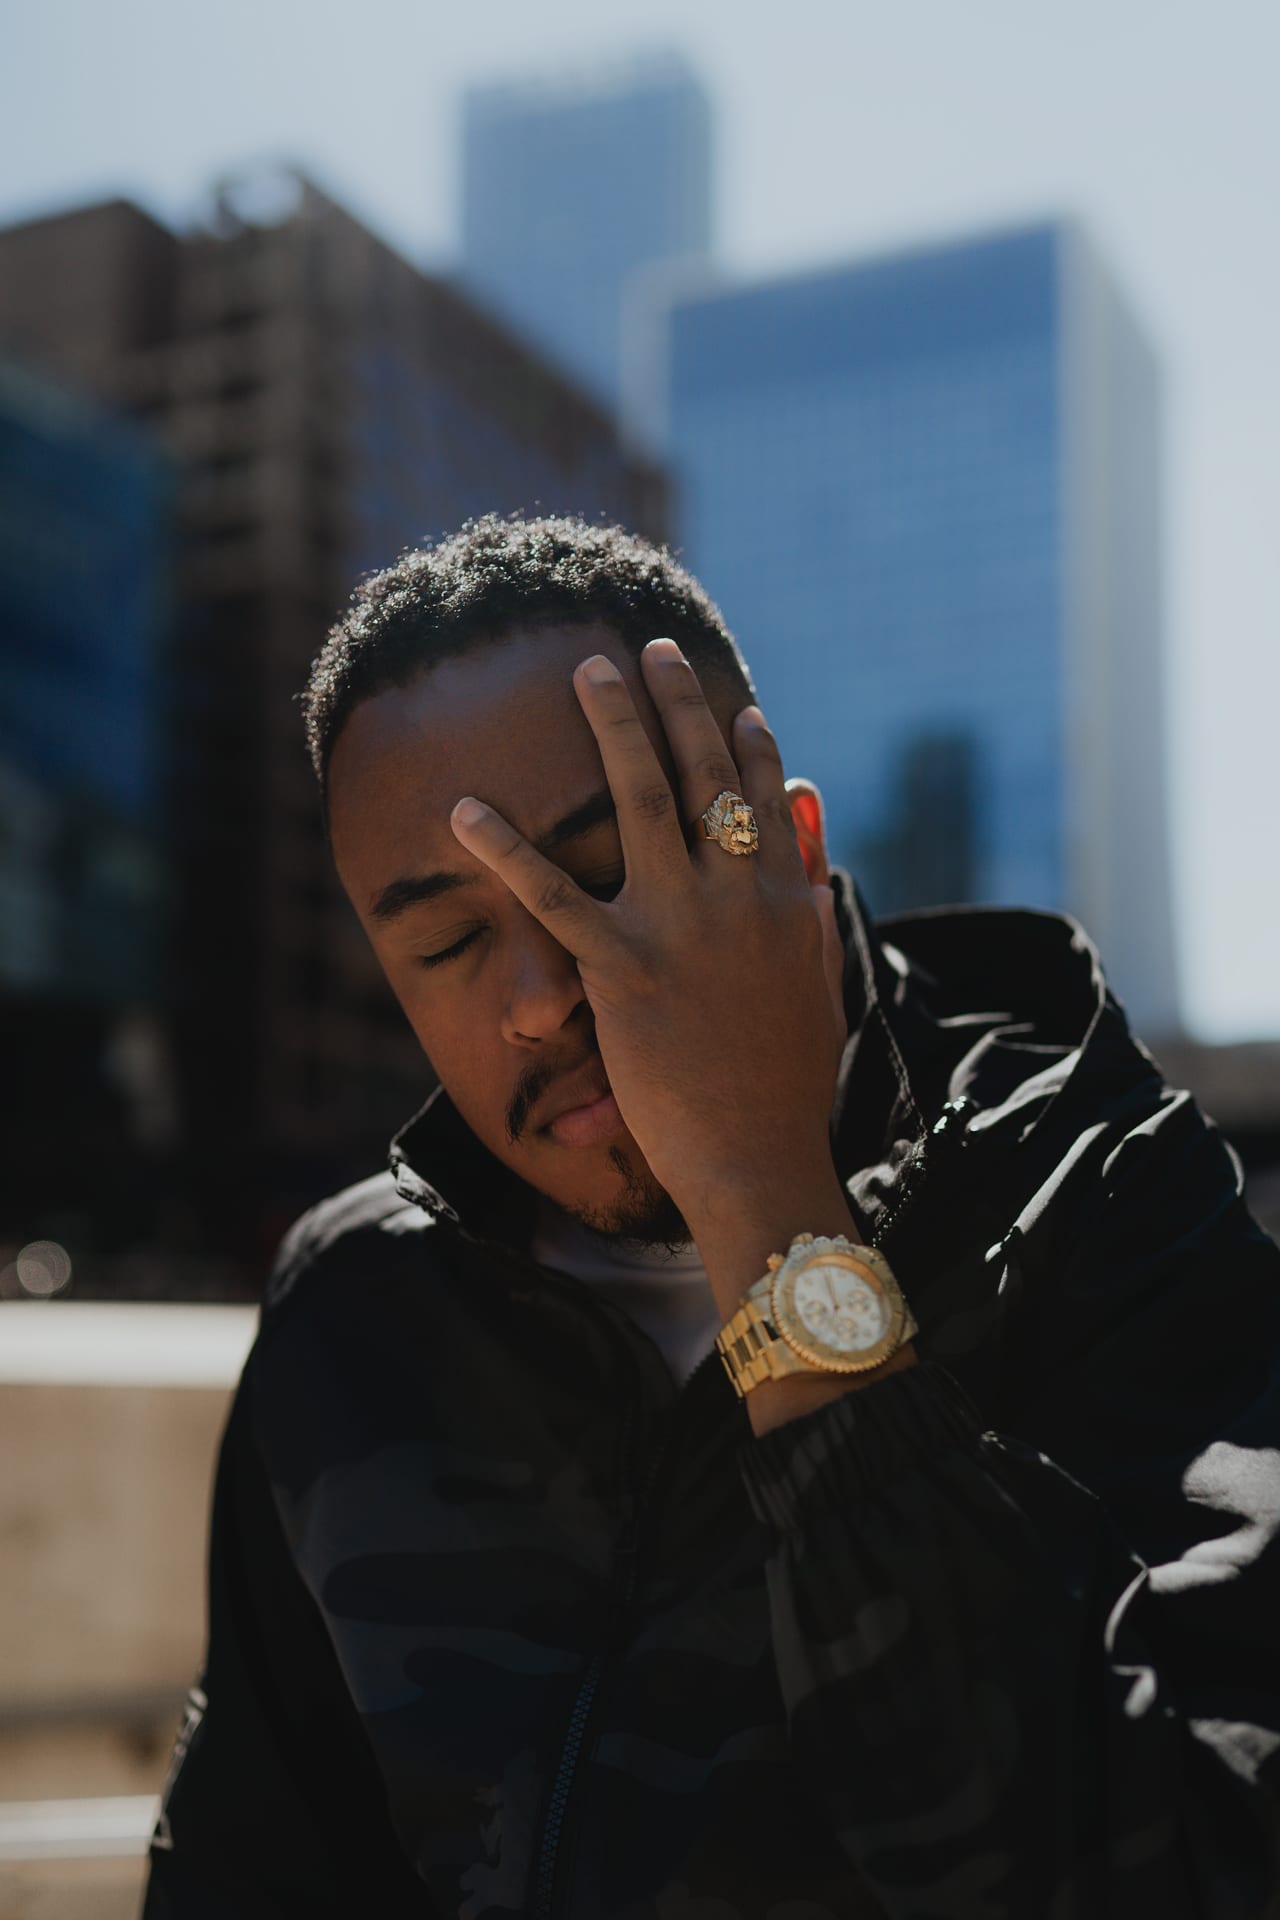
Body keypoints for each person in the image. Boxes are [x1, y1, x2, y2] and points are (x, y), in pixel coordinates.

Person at [143, 515, 1280, 1919]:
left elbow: (1171, 1873)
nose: (539, 997)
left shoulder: (1110, 1212)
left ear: (786, 847)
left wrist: (759, 1187)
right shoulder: (355, 1311)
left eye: (603, 873)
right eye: (446, 943)